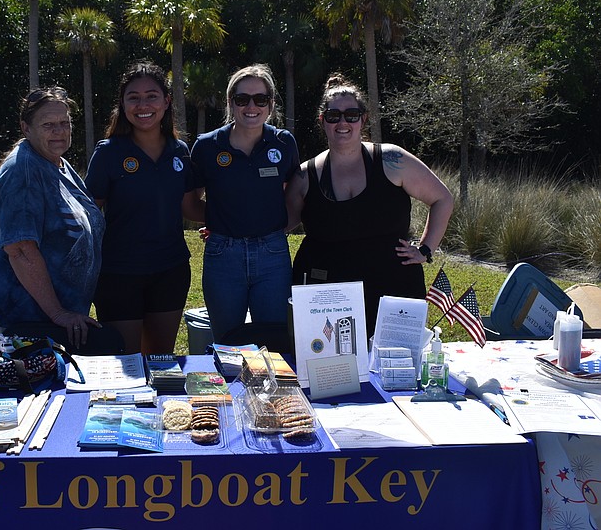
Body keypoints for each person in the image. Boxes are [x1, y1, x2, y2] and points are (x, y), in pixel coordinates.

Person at [286, 73, 454, 338]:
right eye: (334, 116)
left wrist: (426, 249)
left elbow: (442, 198)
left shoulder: (391, 160)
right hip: (327, 295)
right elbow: (280, 224)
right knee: (332, 372)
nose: (343, 122)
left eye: (351, 115)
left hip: (393, 287)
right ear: (323, 121)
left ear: (363, 119)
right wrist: (227, 225)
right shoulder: (305, 176)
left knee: (396, 369)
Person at [85, 62, 203, 355]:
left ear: (166, 102)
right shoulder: (108, 152)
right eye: (133, 97)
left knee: (161, 359)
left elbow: (190, 208)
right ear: (123, 105)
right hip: (119, 273)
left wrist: (241, 220)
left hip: (170, 271)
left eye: (151, 96)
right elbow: (88, 216)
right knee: (126, 361)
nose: (143, 105)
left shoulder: (180, 151)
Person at [0, 87, 106, 350]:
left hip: (53, 314)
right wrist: (58, 313)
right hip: (27, 316)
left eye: (64, 123)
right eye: (48, 125)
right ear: (26, 128)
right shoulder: (22, 171)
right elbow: (20, 249)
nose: (59, 131)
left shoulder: (57, 162)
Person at [190, 64, 299, 341]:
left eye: (260, 99)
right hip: (222, 254)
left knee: (275, 341)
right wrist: (221, 220)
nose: (252, 106)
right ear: (231, 102)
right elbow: (189, 203)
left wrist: (274, 227)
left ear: (271, 104)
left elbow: (293, 195)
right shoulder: (206, 146)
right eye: (242, 99)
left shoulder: (283, 143)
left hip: (273, 254)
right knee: (228, 342)